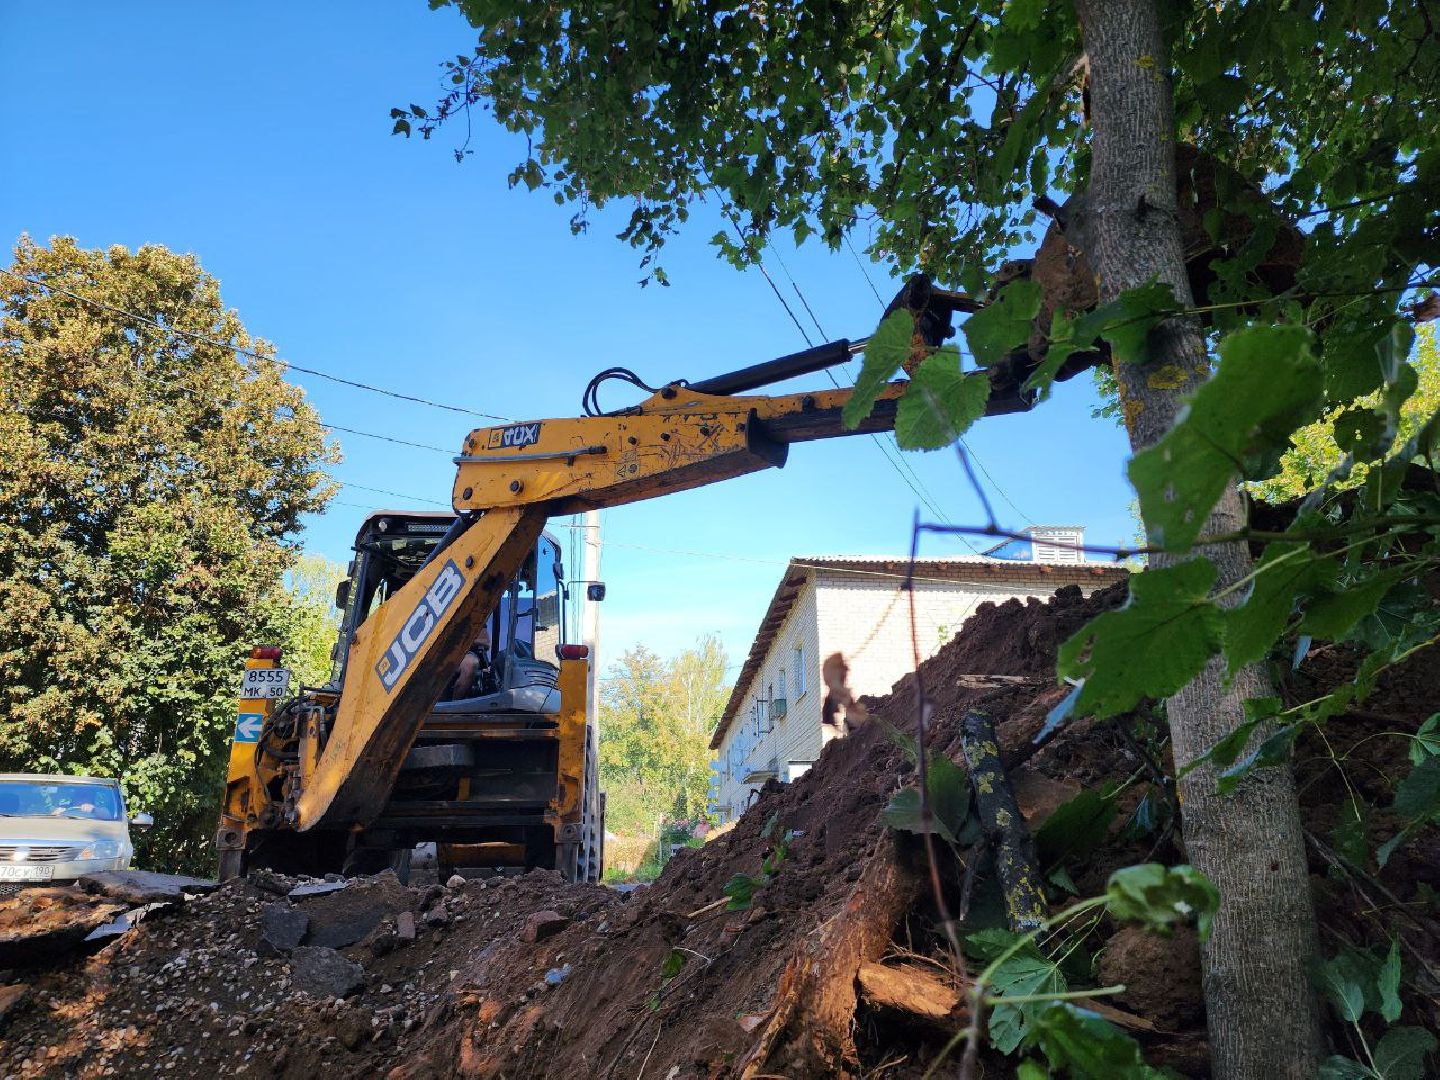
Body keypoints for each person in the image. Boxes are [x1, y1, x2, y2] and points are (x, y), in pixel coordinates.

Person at [445, 626, 492, 701]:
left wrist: (464, 641)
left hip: (465, 654)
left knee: (470, 664)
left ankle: (456, 703)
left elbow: (485, 642)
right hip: (441, 654)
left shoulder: (475, 620)